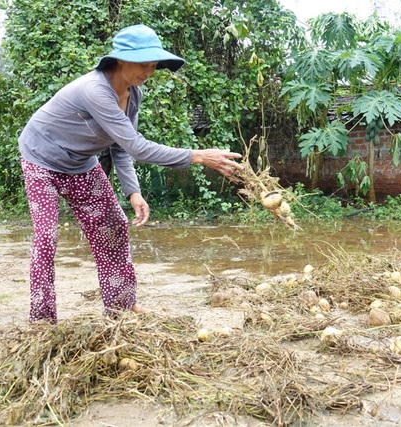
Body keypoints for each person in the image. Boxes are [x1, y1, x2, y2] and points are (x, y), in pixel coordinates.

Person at [18, 24, 243, 323]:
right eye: (143, 64)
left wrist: (133, 192)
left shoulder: (133, 95)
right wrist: (198, 156)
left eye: (153, 65)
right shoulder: (95, 90)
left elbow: (122, 148)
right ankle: (42, 321)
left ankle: (121, 305)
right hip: (41, 160)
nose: (149, 71)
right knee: (47, 237)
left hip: (80, 164)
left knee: (114, 226)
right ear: (121, 59)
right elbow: (137, 146)